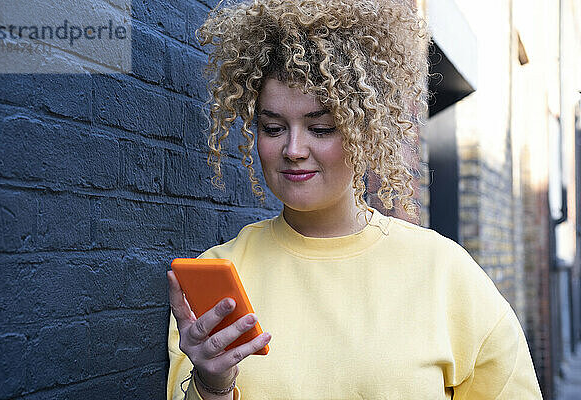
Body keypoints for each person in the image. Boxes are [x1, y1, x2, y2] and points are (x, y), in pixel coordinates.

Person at [167, 0, 543, 399]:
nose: (294, 148)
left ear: (363, 130)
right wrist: (212, 385)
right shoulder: (217, 279)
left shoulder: (444, 272)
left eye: (322, 128)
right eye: (273, 127)